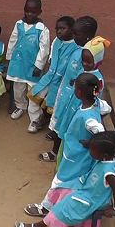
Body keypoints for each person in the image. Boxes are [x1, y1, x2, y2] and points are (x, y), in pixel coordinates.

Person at [24, 73, 109, 218]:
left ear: (79, 93)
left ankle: (45, 207)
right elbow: (107, 109)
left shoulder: (88, 118)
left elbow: (101, 134)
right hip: (78, 155)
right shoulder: (96, 104)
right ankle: (67, 206)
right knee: (74, 182)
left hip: (76, 156)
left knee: (60, 179)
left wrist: (89, 143)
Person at [16, 131, 115, 227]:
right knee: (62, 187)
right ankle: (53, 212)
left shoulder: (109, 173)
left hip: (93, 198)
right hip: (87, 186)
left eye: (92, 150)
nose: (90, 151)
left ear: (104, 154)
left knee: (64, 207)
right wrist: (89, 144)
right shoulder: (110, 158)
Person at [38, 17, 101, 162]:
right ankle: (55, 151)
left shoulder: (87, 54)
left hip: (75, 99)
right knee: (61, 122)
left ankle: (60, 154)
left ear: (87, 36)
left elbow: (86, 77)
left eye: (76, 34)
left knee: (68, 127)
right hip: (65, 94)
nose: (73, 36)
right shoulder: (76, 48)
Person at [5, 0, 51, 130]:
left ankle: (35, 118)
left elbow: (44, 49)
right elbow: (13, 40)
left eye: (33, 12)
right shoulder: (18, 24)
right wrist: (9, 57)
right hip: (18, 64)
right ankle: (20, 106)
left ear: (39, 12)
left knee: (33, 93)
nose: (29, 14)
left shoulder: (42, 29)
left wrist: (39, 66)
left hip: (32, 67)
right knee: (18, 89)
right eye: (27, 11)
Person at [27, 16, 76, 134]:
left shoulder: (76, 47)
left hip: (62, 81)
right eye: (57, 28)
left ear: (72, 30)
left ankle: (52, 126)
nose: (59, 31)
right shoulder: (56, 41)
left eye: (63, 28)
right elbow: (51, 58)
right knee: (35, 95)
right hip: (49, 76)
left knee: (55, 104)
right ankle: (35, 119)